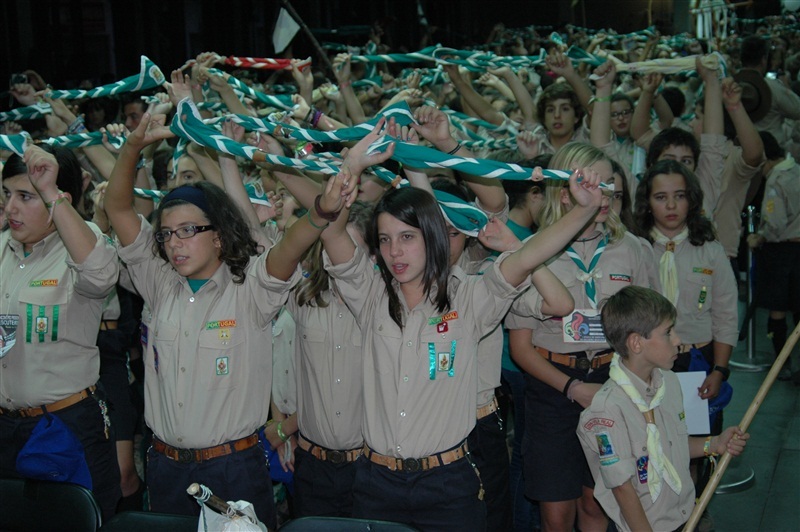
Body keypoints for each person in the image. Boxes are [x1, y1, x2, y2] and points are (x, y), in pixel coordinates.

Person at [319, 121, 604, 531]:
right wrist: (351, 164)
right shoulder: (370, 296)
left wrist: (584, 208)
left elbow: (527, 257)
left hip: (448, 483)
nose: (394, 251)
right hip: (376, 483)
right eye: (384, 240)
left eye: (407, 237)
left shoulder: (470, 298)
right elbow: (329, 227)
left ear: (433, 236)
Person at [103, 112, 362, 527]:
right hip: (166, 467)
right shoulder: (158, 282)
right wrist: (134, 146)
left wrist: (319, 214)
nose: (175, 244)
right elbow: (116, 205)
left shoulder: (250, 291)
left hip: (233, 468)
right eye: (167, 234)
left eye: (188, 230)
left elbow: (288, 249)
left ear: (219, 235)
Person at [505, 142, 650, 532]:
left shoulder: (632, 250)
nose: (601, 195)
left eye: (608, 186)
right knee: (555, 512)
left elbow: (649, 333)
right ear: (563, 190)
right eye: (590, 183)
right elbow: (521, 348)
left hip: (611, 384)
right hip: (551, 391)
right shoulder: (531, 254)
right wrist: (571, 388)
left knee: (596, 502)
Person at [0, 144, 121, 520]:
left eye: (26, 196)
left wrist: (51, 193)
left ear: (59, 200)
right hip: (6, 427)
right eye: (6, 194)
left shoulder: (81, 247)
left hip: (65, 427)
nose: (10, 208)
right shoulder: (2, 249)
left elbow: (101, 274)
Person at [578, 285, 749, 532]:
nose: (679, 341)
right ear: (637, 343)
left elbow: (671, 446)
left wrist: (714, 444)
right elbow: (622, 488)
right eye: (669, 333)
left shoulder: (669, 382)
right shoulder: (607, 409)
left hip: (683, 517)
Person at [633, 160, 738, 427]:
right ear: (647, 202)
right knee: (654, 441)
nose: (670, 206)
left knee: (700, 444)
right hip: (648, 360)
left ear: (691, 200)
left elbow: (726, 315)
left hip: (699, 359)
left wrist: (720, 371)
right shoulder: (635, 249)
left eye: (679, 196)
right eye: (660, 197)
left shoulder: (710, 250)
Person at [747, 131, 800, 380]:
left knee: (777, 308)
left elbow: (775, 222)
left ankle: (784, 364)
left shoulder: (776, 179)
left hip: (782, 253)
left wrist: (759, 236)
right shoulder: (797, 170)